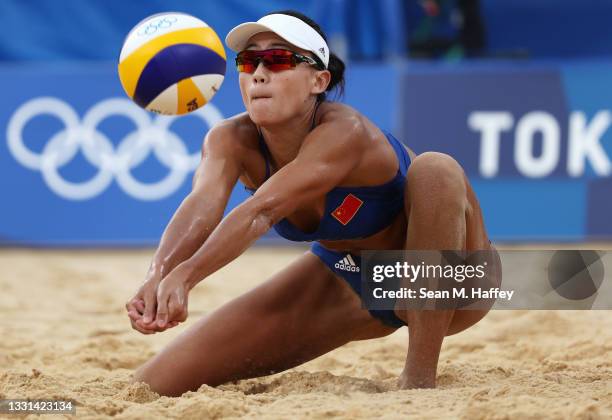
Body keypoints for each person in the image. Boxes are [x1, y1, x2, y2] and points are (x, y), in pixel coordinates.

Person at [126, 10, 498, 397]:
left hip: (455, 283)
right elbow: (201, 204)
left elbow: (262, 211)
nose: (259, 72)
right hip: (351, 279)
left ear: (319, 81)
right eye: (249, 60)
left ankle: (419, 378)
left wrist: (186, 277)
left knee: (436, 169)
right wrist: (158, 274)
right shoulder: (228, 139)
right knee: (154, 383)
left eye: (279, 60)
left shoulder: (345, 131)